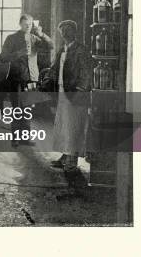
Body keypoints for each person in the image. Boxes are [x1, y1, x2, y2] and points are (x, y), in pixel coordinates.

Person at [0, 14, 54, 146]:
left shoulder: (35, 38)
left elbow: (51, 46)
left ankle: (25, 138)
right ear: (20, 24)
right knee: (17, 108)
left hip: (32, 79)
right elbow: (3, 57)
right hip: (17, 79)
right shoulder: (11, 38)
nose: (28, 26)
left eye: (30, 24)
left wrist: (42, 34)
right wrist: (19, 53)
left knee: (28, 109)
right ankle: (15, 138)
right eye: (25, 24)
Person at [47, 20, 92, 172]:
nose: (65, 33)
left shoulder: (81, 49)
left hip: (76, 93)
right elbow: (54, 68)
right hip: (63, 91)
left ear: (74, 32)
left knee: (74, 126)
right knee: (63, 125)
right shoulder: (63, 49)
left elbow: (86, 73)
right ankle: (65, 155)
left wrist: (81, 90)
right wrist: (46, 79)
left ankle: (72, 159)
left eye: (67, 30)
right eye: (62, 31)